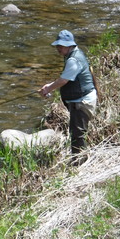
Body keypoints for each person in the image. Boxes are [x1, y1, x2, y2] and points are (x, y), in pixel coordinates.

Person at [39, 30, 97, 164]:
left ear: (70, 45)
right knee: (77, 131)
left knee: (77, 133)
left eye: (61, 46)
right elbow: (65, 78)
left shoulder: (73, 60)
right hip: (81, 100)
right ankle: (80, 158)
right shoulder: (73, 54)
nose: (58, 48)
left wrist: (48, 88)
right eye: (57, 45)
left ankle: (79, 162)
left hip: (82, 102)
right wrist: (49, 86)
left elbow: (63, 80)